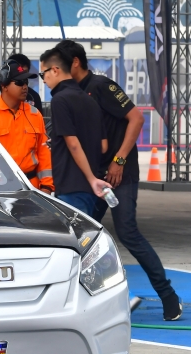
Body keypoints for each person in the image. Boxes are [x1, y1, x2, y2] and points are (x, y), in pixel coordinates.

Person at [58, 39, 183, 321]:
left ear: (74, 63)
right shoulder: (71, 93)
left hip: (120, 174)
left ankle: (168, 296)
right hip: (94, 178)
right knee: (80, 237)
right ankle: (83, 300)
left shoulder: (101, 86)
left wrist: (119, 160)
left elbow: (136, 119)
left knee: (127, 232)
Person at [39, 47, 110, 215]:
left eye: (43, 74)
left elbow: (73, 144)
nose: (43, 80)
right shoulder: (90, 100)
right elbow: (103, 146)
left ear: (55, 70)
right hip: (89, 189)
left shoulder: (60, 100)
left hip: (71, 186)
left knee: (73, 231)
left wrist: (91, 179)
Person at [0, 59, 54, 194]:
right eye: (19, 82)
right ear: (4, 85)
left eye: (26, 82)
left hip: (31, 188)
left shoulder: (35, 114)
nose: (25, 87)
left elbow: (44, 153)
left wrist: (47, 186)